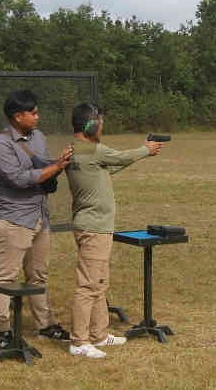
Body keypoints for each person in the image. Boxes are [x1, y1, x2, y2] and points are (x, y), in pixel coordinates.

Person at [63, 103, 163, 358]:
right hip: (94, 228)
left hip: (94, 226)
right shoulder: (93, 150)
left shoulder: (77, 151)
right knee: (88, 285)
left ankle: (98, 334)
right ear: (91, 125)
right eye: (100, 123)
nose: (102, 128)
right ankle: (79, 340)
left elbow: (111, 166)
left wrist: (140, 154)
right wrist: (145, 150)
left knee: (99, 282)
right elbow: (118, 157)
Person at [0, 90, 72, 350]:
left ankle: (46, 326)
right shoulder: (1, 144)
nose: (38, 116)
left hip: (39, 216)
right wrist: (54, 168)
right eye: (33, 113)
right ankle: (1, 331)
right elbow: (17, 179)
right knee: (5, 278)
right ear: (17, 116)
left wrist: (61, 161)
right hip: (12, 218)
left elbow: (41, 163)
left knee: (38, 276)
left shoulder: (38, 137)